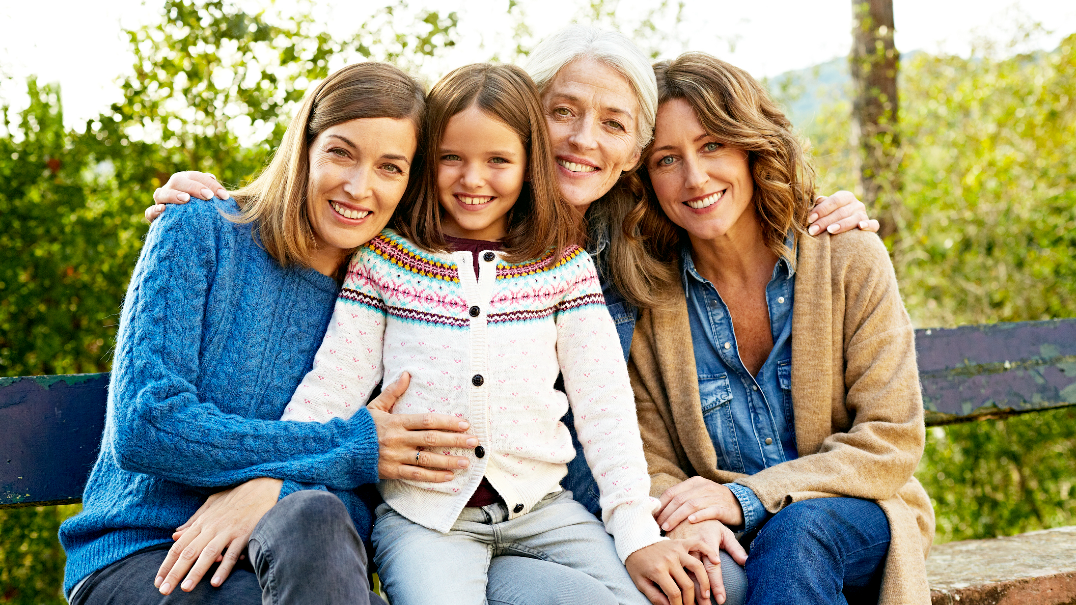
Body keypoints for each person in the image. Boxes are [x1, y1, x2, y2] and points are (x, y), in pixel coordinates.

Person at [145, 26, 878, 605]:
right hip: (433, 519)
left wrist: (812, 207)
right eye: (563, 112)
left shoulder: (625, 241)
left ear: (631, 154)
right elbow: (342, 182)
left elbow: (611, 414)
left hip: (559, 512)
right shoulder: (395, 249)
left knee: (703, 588)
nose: (584, 138)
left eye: (613, 124)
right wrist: (223, 199)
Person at [282, 61, 722, 605]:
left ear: (528, 164)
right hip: (425, 518)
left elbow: (605, 406)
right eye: (452, 159)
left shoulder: (564, 268)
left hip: (543, 509)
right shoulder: (384, 261)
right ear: (427, 162)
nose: (473, 179)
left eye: (498, 161)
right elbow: (333, 384)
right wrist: (267, 484)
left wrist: (635, 535)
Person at [57, 62, 492, 605]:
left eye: (390, 167)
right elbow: (148, 424)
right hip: (151, 555)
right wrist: (343, 445)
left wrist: (271, 490)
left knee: (316, 511)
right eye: (341, 152)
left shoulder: (398, 295)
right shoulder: (202, 229)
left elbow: (374, 491)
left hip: (307, 564)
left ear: (409, 183)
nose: (360, 187)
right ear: (304, 147)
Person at [629, 52, 935, 605]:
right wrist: (686, 518)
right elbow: (650, 458)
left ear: (751, 147)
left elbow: (889, 441)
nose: (694, 178)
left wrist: (745, 498)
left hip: (860, 515)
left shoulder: (847, 257)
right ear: (646, 179)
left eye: (712, 145)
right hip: (731, 538)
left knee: (798, 534)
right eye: (666, 159)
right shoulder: (649, 297)